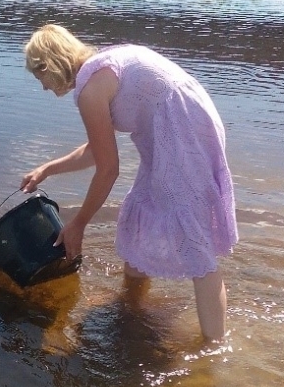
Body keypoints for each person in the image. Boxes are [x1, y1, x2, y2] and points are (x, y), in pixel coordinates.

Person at [21, 24, 238, 341]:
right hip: (183, 124)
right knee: (141, 215)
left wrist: (79, 223)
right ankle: (132, 305)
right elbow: (97, 150)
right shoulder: (100, 68)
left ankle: (214, 348)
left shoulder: (91, 89)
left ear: (48, 64)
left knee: (196, 243)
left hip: (183, 133)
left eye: (38, 76)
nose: (42, 86)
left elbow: (108, 169)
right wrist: (47, 169)